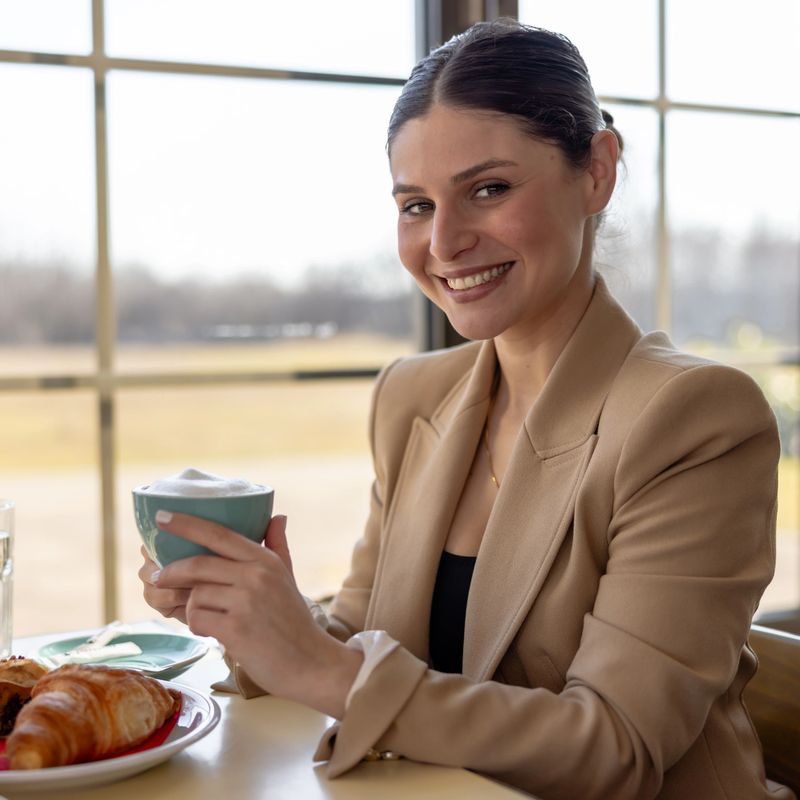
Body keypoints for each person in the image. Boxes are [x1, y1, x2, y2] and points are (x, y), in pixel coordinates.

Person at [139, 19, 790, 800]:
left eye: (489, 189)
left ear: (597, 173)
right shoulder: (413, 396)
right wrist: (256, 614)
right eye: (415, 204)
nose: (444, 242)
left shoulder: (692, 418)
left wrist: (324, 666)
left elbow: (616, 748)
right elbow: (363, 641)